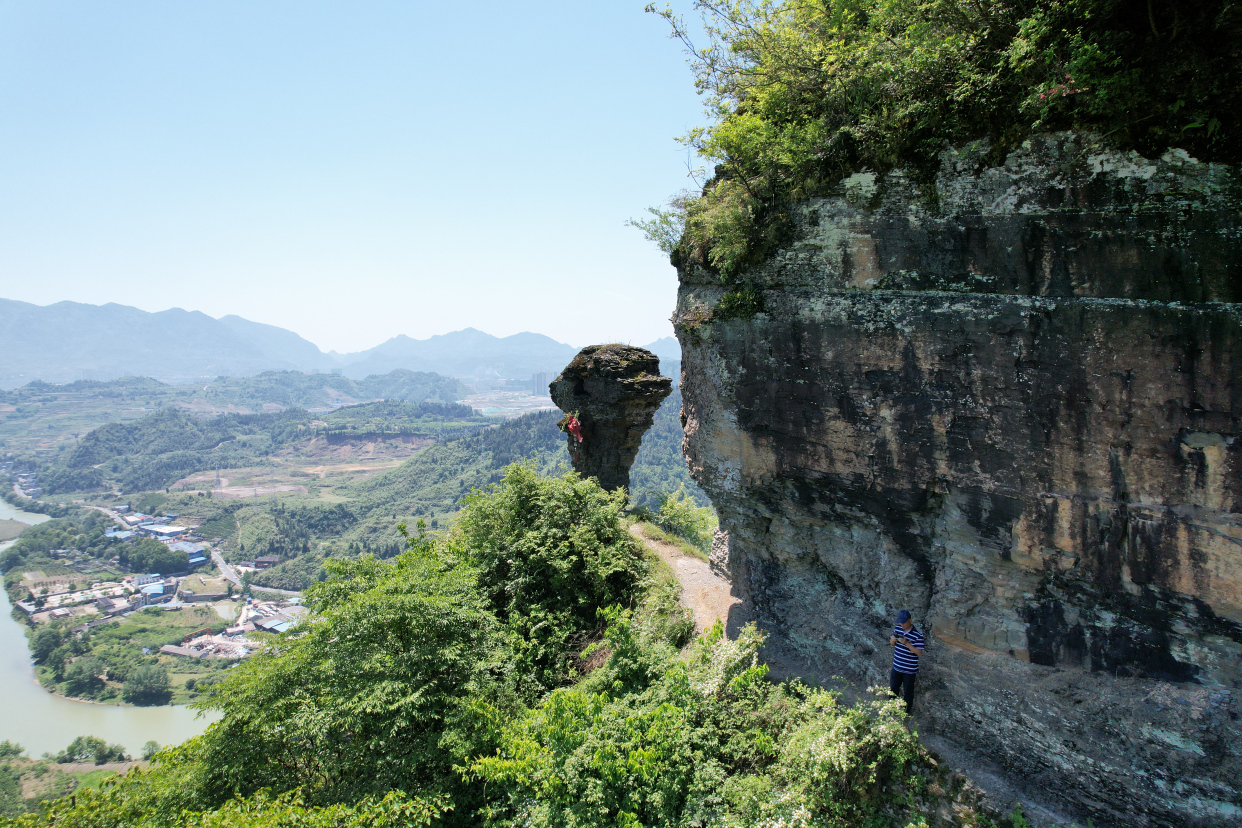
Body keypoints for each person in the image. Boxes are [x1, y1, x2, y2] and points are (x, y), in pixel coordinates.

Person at [888, 609, 924, 713]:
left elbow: (919, 652)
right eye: (900, 622)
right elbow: (892, 644)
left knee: (908, 692)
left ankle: (906, 713)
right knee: (893, 689)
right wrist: (893, 640)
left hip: (909, 670)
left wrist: (906, 643)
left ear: (910, 620)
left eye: (904, 622)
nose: (902, 624)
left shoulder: (917, 635)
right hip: (897, 666)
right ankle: (891, 709)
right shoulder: (898, 629)